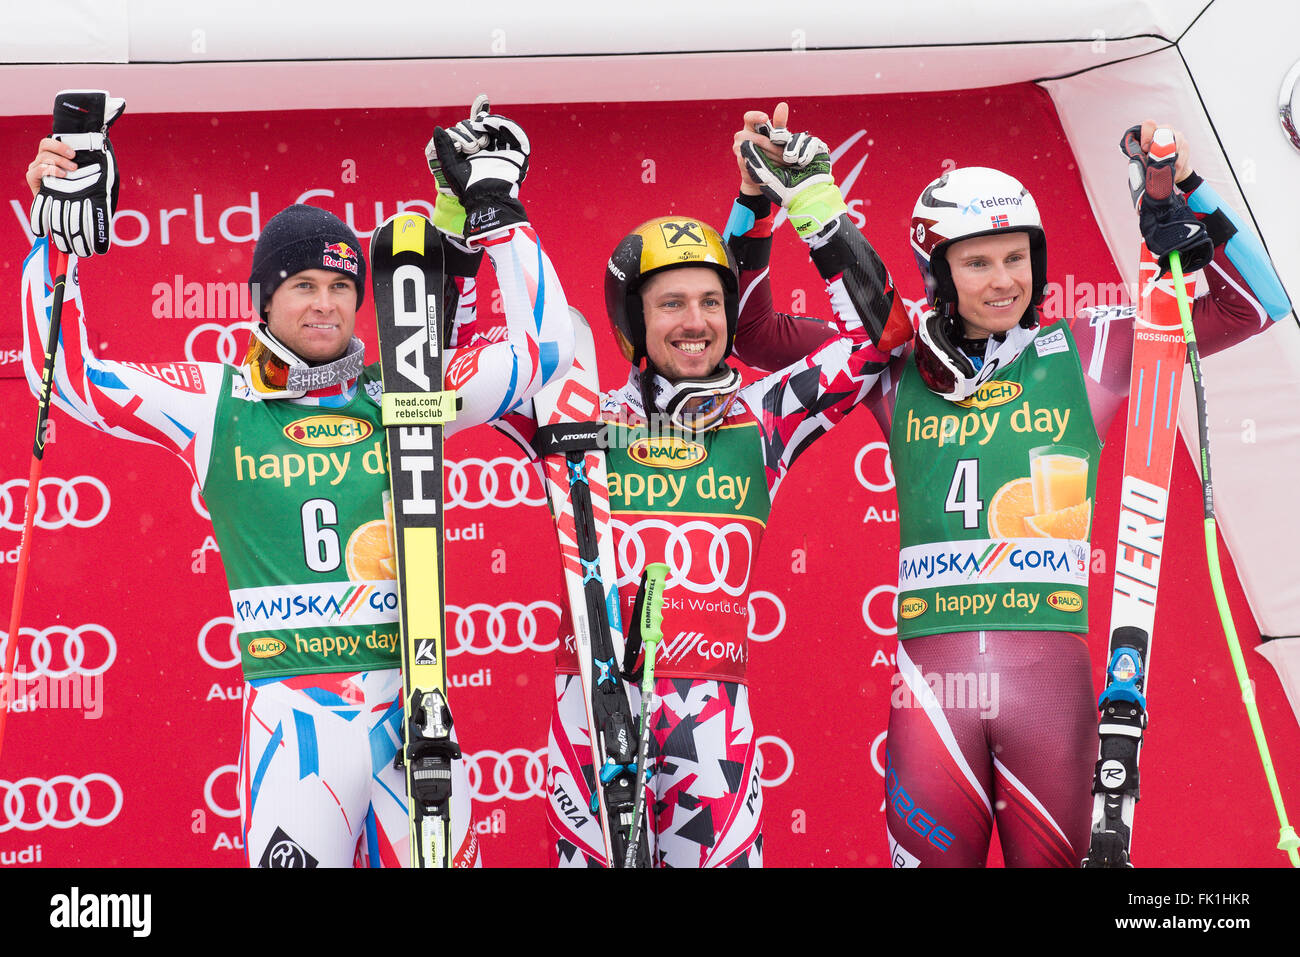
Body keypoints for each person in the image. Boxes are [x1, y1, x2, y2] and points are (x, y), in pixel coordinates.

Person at [21, 91, 576, 867]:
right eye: (303, 285)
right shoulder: (216, 401)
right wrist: (56, 237)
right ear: (263, 298)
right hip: (293, 722)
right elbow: (72, 379)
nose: (326, 303)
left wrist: (498, 210)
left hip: (414, 710)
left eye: (343, 286)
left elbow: (549, 356)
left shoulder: (405, 391)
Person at [737, 118, 1291, 866]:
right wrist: (755, 202)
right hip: (931, 694)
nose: (1004, 280)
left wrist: (1186, 190)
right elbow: (755, 336)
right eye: (977, 263)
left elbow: (1259, 303)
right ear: (936, 272)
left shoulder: (1088, 348)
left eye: (1017, 257)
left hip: (1050, 692)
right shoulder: (893, 360)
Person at [476, 103, 911, 867]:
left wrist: (797, 206)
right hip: (591, 722)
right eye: (671, 302)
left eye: (712, 300)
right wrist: (474, 210)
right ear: (631, 320)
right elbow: (439, 376)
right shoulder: (575, 416)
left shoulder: (763, 414)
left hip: (715, 737)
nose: (697, 321)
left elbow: (881, 343)